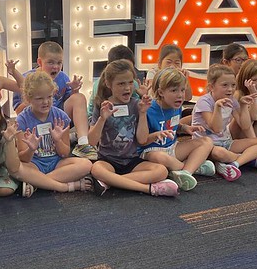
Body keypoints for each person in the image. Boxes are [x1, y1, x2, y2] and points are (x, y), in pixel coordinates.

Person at [88, 60, 178, 197]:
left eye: (130, 82)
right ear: (108, 84)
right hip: (108, 160)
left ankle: (111, 182)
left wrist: (142, 113)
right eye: (121, 84)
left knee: (162, 171)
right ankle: (148, 188)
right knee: (96, 169)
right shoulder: (102, 105)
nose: (127, 88)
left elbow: (142, 140)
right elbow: (92, 141)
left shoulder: (137, 104)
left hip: (131, 160)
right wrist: (102, 118)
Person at [13, 72, 93, 197]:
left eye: (49, 97)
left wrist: (57, 141)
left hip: (57, 163)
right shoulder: (21, 120)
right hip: (34, 164)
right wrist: (31, 149)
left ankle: (37, 183)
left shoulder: (61, 116)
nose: (45, 102)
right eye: (39, 98)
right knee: (17, 168)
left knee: (86, 164)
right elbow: (23, 158)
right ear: (28, 99)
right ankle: (66, 186)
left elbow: (64, 153)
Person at [12, 41, 96, 160]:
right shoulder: (27, 79)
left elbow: (71, 106)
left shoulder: (63, 77)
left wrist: (74, 90)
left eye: (59, 63)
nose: (55, 67)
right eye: (50, 62)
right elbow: (19, 112)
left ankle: (83, 143)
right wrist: (32, 97)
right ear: (40, 62)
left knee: (79, 97)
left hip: (58, 121)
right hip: (35, 123)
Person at [141, 68, 215, 191]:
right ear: (161, 92)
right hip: (151, 151)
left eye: (182, 90)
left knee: (207, 141)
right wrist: (156, 135)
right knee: (160, 157)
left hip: (173, 147)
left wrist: (184, 127)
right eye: (174, 90)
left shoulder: (177, 106)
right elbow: (141, 141)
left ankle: (185, 172)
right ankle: (193, 167)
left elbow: (173, 124)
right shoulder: (149, 110)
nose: (180, 95)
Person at [192, 64, 257, 179]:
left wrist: (243, 106)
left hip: (226, 142)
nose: (230, 89)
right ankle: (248, 159)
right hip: (208, 145)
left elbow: (245, 125)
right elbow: (216, 128)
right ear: (211, 87)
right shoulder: (204, 102)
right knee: (219, 153)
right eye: (225, 85)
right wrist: (218, 108)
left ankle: (235, 164)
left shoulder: (232, 100)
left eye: (233, 85)